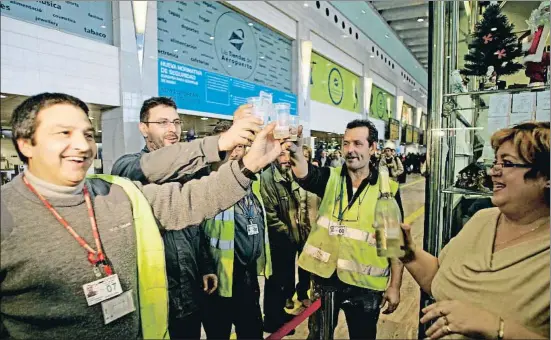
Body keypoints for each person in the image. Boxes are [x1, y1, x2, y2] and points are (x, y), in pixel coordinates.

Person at [0, 92, 283, 339]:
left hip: (178, 303)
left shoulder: (117, 195)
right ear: (25, 143)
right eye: (64, 133)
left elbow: (188, 201)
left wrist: (249, 165)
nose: (83, 146)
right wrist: (219, 142)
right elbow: (151, 166)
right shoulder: (8, 215)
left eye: (88, 134)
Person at [400, 122, 550, 339]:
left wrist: (497, 327)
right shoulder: (482, 219)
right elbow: (439, 280)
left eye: (507, 163)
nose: (493, 172)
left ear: (546, 177)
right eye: (495, 162)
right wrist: (406, 252)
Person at [111, 97, 224, 339]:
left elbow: (195, 227)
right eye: (162, 122)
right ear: (144, 128)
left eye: (175, 122)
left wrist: (205, 266)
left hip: (189, 294)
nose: (172, 129)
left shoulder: (190, 173)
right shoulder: (127, 167)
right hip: (154, 300)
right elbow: (145, 169)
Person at [286, 119, 405, 339]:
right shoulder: (330, 179)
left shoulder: (387, 190)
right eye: (346, 143)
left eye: (358, 144)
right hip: (326, 279)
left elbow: (395, 245)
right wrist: (295, 150)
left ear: (372, 147)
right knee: (319, 336)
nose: (350, 150)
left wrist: (395, 286)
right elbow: (304, 174)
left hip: (366, 286)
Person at [201, 121, 272, 339]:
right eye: (231, 146)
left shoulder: (251, 182)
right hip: (218, 279)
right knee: (219, 332)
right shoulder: (202, 185)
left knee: (251, 331)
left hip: (248, 276)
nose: (236, 152)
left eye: (240, 146)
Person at [261, 150, 320, 333]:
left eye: (288, 155)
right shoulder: (268, 178)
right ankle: (271, 319)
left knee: (285, 280)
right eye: (281, 155)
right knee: (275, 281)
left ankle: (280, 313)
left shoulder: (290, 174)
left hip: (291, 238)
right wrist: (289, 233)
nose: (286, 159)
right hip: (278, 239)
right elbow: (270, 215)